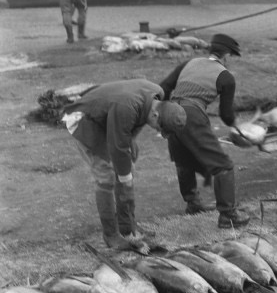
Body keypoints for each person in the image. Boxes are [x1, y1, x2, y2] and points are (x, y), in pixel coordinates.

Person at [66, 79, 186, 250]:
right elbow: (117, 145)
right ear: (156, 115)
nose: (158, 131)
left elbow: (135, 120)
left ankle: (127, 227)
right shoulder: (127, 106)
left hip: (109, 116)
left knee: (128, 168)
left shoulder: (156, 94)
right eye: (159, 128)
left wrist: (130, 141)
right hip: (84, 119)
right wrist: (125, 178)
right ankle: (111, 235)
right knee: (107, 176)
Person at [158, 33, 252, 229]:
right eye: (230, 57)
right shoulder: (225, 76)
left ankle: (193, 202)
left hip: (170, 111)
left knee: (183, 159)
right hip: (193, 114)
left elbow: (163, 88)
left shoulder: (189, 64)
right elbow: (225, 114)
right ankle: (228, 215)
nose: (229, 61)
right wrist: (237, 126)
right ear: (225, 55)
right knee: (223, 166)